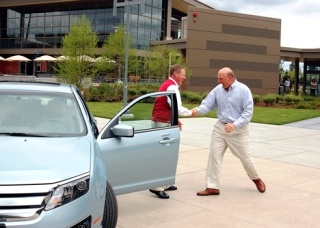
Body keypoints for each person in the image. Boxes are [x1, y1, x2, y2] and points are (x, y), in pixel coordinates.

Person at [192, 67, 265, 196]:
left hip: (238, 130)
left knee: (245, 158)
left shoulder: (244, 90)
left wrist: (235, 125)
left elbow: (248, 112)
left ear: (230, 78)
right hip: (220, 128)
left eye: (221, 78)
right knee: (214, 155)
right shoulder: (217, 90)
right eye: (218, 78)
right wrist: (197, 110)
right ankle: (212, 186)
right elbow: (208, 104)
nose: (219, 81)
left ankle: (256, 178)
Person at [149, 64, 196, 199]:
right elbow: (177, 107)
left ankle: (165, 183)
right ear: (176, 74)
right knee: (163, 154)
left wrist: (175, 120)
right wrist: (190, 112)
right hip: (163, 123)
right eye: (183, 74)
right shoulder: (172, 87)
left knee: (167, 153)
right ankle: (156, 186)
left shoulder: (167, 85)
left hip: (162, 120)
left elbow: (169, 106)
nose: (184, 77)